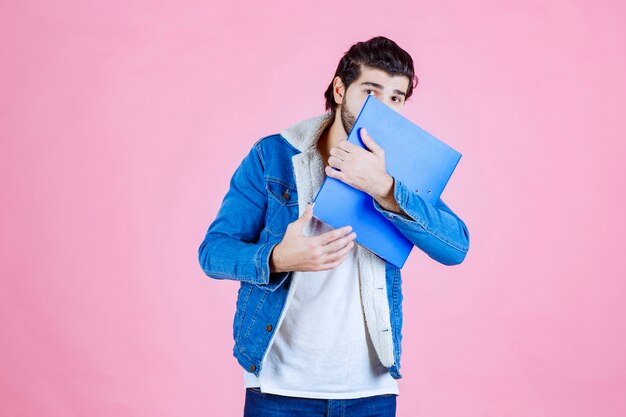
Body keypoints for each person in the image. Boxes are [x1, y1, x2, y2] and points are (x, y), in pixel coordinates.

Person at [198, 36, 470, 417]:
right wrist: (278, 257)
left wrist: (387, 190)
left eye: (396, 98)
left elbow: (456, 247)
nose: (384, 108)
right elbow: (213, 253)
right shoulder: (274, 155)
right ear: (340, 89)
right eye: (371, 92)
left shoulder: (400, 170)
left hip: (371, 389)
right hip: (278, 387)